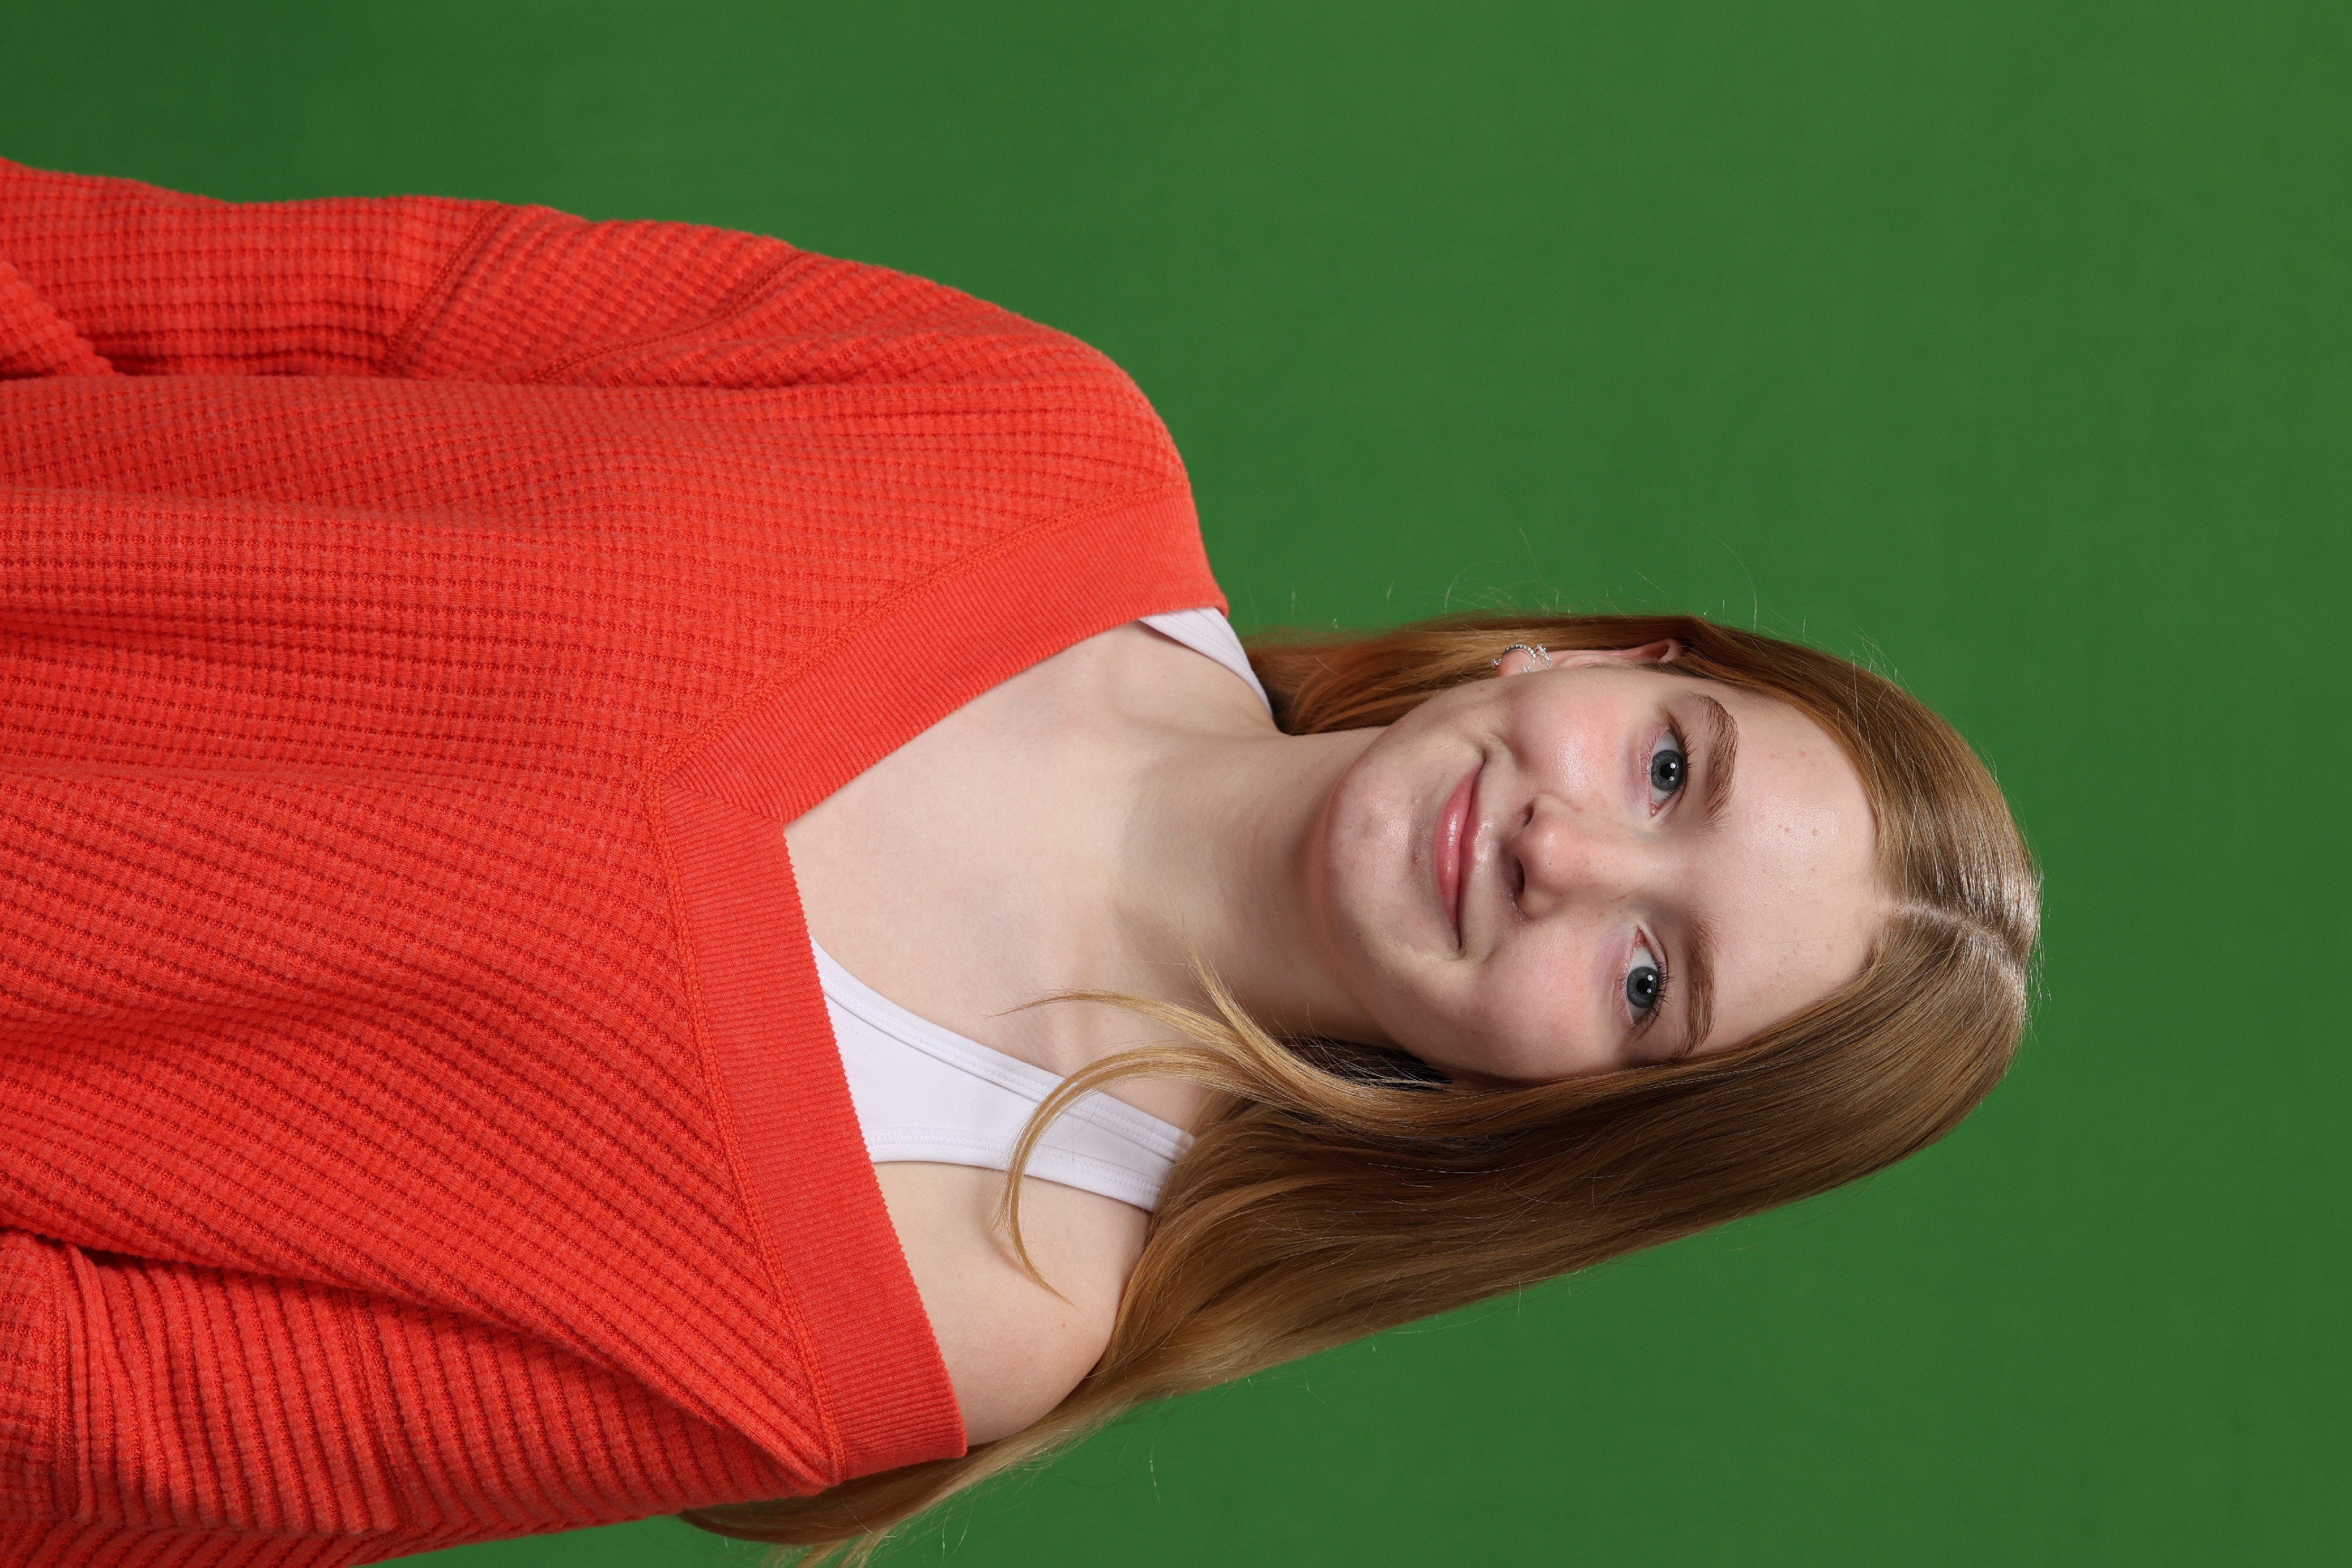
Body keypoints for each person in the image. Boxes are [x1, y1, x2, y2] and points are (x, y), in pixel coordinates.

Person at [0, 159, 2037, 1567]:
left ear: (1576, 1114)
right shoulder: (1030, 432)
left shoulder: (976, 1295)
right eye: (1666, 769)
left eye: (1645, 980)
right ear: (1591, 658)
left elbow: (142, 1414)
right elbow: (282, 302)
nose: (1559, 854)